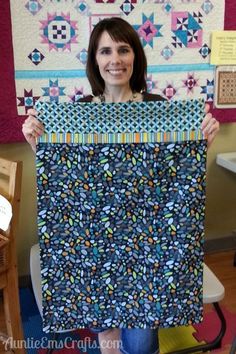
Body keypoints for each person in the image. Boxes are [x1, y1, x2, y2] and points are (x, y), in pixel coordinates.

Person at [22, 17, 220, 354]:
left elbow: (175, 172)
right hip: (95, 245)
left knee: (141, 343)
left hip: (148, 247)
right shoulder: (79, 113)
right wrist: (37, 144)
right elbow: (67, 177)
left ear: (135, 57)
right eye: (106, 51)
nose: (115, 59)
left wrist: (201, 142)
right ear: (95, 59)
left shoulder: (159, 109)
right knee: (106, 333)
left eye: (123, 49)